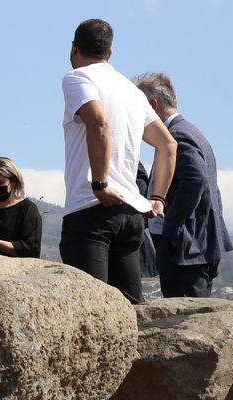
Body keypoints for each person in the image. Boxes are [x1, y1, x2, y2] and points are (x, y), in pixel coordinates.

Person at [59, 19, 177, 304]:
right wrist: (158, 197)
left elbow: (99, 123)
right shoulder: (133, 92)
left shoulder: (78, 78)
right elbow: (168, 144)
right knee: (129, 307)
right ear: (109, 53)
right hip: (130, 213)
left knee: (90, 307)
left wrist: (100, 183)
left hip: (91, 207)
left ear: (73, 49)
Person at [133, 72, 233, 297]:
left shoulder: (177, 135)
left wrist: (174, 230)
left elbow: (196, 180)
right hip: (192, 245)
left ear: (153, 105)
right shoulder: (188, 131)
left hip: (186, 249)